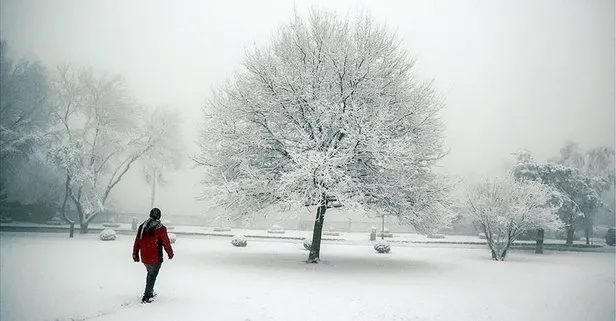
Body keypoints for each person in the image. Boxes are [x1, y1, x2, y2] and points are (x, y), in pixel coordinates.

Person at [132, 207, 174, 303]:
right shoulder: (161, 228)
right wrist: (170, 253)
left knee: (150, 274)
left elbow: (137, 241)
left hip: (145, 257)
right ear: (159, 216)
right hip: (156, 258)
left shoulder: (142, 226)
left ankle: (150, 291)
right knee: (152, 276)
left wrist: (135, 254)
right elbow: (166, 243)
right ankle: (147, 296)